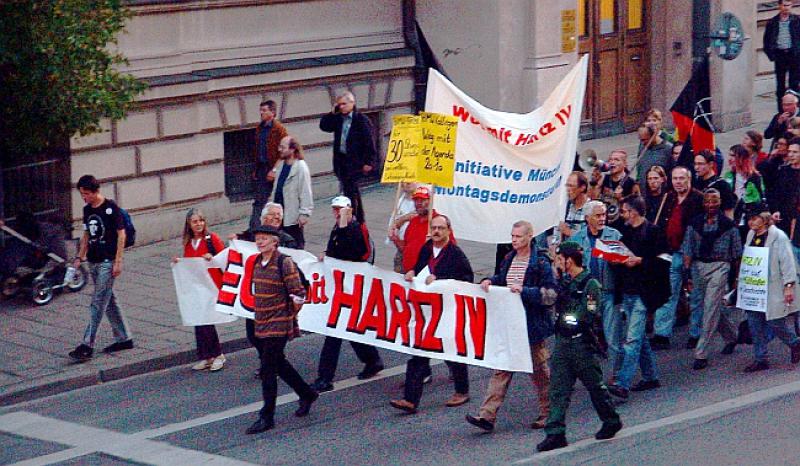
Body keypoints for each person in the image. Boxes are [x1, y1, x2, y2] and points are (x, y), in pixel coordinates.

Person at [465, 221, 557, 431]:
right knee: (502, 369)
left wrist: (525, 291)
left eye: (518, 236)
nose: (514, 240)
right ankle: (487, 415)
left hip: (531, 327)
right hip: (511, 325)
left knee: (539, 373)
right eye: (512, 236)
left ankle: (550, 412)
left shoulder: (540, 262)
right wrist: (490, 281)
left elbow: (550, 294)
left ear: (529, 237)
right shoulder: (509, 258)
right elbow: (502, 279)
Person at [536, 241, 622, 452]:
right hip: (563, 344)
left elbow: (588, 314)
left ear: (570, 260)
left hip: (581, 344)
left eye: (560, 259)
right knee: (558, 389)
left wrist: (566, 319)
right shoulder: (563, 282)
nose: (557, 263)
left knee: (595, 387)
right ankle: (555, 432)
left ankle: (611, 420)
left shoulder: (590, 285)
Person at [390, 215, 473, 413]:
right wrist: (412, 272)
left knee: (451, 351)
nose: (436, 231)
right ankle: (410, 399)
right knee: (420, 352)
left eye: (440, 228)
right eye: (434, 228)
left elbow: (467, 279)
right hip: (428, 310)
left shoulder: (455, 254)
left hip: (447, 309)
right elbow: (420, 268)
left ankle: (462, 390)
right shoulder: (427, 248)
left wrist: (440, 280)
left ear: (448, 231)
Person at [244, 225, 318, 434]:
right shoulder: (257, 262)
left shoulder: (284, 262)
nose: (260, 242)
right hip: (262, 322)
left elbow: (298, 293)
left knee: (268, 368)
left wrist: (290, 314)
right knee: (279, 364)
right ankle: (307, 393)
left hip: (279, 323)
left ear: (275, 242)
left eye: (264, 238)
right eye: (258, 238)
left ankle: (266, 416)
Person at [310, 196, 383, 392]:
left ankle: (325, 377)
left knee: (334, 331)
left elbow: (354, 252)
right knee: (348, 327)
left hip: (353, 287)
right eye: (335, 209)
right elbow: (337, 251)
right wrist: (327, 254)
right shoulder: (339, 228)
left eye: (341, 210)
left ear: (350, 210)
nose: (337, 213)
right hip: (343, 287)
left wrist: (342, 228)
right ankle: (372, 360)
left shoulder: (355, 229)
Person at [68, 175, 134, 361]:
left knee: (97, 302)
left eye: (86, 194)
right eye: (82, 194)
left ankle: (86, 345)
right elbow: (86, 235)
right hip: (93, 261)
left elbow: (121, 235)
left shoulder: (111, 208)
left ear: (95, 191)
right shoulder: (87, 210)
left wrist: (118, 261)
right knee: (108, 299)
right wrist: (79, 257)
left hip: (108, 261)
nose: (84, 197)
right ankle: (124, 338)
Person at [230, 202, 298, 377]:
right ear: (263, 218)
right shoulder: (252, 235)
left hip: (276, 304)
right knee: (253, 335)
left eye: (279, 216)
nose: (276, 218)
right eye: (272, 215)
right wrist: (235, 239)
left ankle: (270, 367)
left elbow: (298, 263)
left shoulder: (287, 240)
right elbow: (241, 243)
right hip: (256, 299)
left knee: (273, 344)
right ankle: (271, 364)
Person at [608, 196, 665, 400]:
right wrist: (616, 260)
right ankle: (650, 376)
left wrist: (640, 261)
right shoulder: (626, 233)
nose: (623, 215)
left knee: (632, 339)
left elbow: (663, 261)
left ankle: (622, 383)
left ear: (634, 212)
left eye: (625, 211)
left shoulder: (653, 232)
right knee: (639, 337)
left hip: (644, 292)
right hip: (628, 291)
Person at [681, 189, 742, 370]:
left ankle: (701, 353)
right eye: (707, 201)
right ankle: (732, 336)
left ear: (720, 202)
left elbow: (737, 254)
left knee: (709, 308)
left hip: (720, 266)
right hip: (699, 266)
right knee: (712, 306)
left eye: (714, 201)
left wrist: (736, 278)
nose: (711, 205)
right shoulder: (695, 224)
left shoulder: (728, 226)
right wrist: (686, 273)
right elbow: (688, 249)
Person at [650, 167, 704, 350]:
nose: (678, 182)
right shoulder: (669, 197)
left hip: (692, 254)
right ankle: (661, 334)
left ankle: (696, 334)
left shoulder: (698, 199)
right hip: (670, 253)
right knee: (667, 294)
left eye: (682, 178)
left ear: (689, 179)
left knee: (696, 296)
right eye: (675, 179)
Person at [740, 211, 800, 372]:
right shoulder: (750, 235)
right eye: (749, 219)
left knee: (775, 321)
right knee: (754, 323)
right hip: (755, 287)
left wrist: (789, 285)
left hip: (774, 285)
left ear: (764, 219)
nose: (751, 222)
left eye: (755, 219)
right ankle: (761, 358)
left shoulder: (778, 237)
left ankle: (795, 343)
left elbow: (787, 261)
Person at [571, 201, 624, 382]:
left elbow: (624, 261)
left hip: (609, 292)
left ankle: (615, 377)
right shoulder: (577, 239)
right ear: (587, 218)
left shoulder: (614, 235)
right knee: (585, 335)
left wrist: (618, 260)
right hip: (590, 295)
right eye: (598, 215)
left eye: (604, 215)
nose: (602, 219)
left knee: (613, 338)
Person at [174, 208, 226, 371]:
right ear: (189, 224)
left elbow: (224, 258)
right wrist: (179, 262)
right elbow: (189, 262)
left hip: (211, 285)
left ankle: (218, 354)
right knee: (198, 320)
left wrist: (212, 258)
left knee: (207, 320)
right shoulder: (189, 242)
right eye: (195, 221)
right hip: (197, 286)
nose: (199, 224)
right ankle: (206, 356)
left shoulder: (211, 239)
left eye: (201, 221)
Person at [319, 91, 377, 224]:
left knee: (351, 190)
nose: (341, 107)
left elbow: (369, 141)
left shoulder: (361, 120)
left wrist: (369, 162)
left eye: (344, 104)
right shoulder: (338, 118)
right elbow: (324, 126)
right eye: (339, 105)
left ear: (352, 103)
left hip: (355, 161)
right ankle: (355, 217)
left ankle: (354, 218)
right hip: (341, 160)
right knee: (350, 190)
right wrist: (332, 112)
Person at [250, 100, 289, 230]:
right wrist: (255, 169)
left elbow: (284, 152)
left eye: (264, 110)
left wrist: (274, 169)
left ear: (272, 112)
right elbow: (257, 149)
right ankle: (254, 228)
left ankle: (279, 227)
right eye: (260, 110)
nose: (261, 113)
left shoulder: (279, 129)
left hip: (274, 167)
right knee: (259, 200)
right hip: (262, 168)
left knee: (278, 199)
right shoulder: (259, 128)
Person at [268, 136, 313, 249]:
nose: (279, 149)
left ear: (292, 149)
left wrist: (304, 213)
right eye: (279, 146)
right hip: (279, 213)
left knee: (295, 245)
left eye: (283, 147)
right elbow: (276, 187)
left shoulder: (301, 167)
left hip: (292, 216)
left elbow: (305, 191)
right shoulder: (281, 165)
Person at [724, 144, 768, 239]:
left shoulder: (755, 177)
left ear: (742, 158)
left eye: (733, 156)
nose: (730, 159)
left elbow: (762, 199)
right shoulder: (728, 176)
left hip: (749, 221)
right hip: (731, 219)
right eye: (729, 155)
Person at [763, 0, 800, 111]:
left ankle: (795, 110)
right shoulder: (772, 22)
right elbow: (767, 40)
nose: (786, 8)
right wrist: (772, 55)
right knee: (780, 86)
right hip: (780, 55)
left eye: (788, 5)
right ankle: (781, 112)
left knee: (794, 84)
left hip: (794, 55)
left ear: (791, 5)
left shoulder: (797, 20)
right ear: (779, 6)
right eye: (784, 5)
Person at [773, 137, 800, 262]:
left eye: (795, 152)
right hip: (784, 217)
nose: (791, 155)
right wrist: (776, 210)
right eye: (789, 151)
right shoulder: (784, 170)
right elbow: (777, 193)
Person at [387, 182, 421, 272]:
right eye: (405, 180)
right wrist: (404, 218)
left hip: (417, 251)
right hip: (401, 249)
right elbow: (393, 226)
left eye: (411, 179)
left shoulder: (423, 202)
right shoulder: (400, 201)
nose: (408, 182)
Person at [694, 150, 736, 219]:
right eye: (695, 164)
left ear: (711, 164)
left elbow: (729, 212)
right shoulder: (696, 183)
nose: (696, 167)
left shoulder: (722, 185)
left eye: (700, 164)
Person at [635, 125, 672, 192]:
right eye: (640, 140)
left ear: (654, 136)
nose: (642, 143)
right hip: (644, 191)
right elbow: (639, 168)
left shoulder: (668, 149)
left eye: (644, 140)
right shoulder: (643, 146)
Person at [758, 135, 789, 209]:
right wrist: (770, 158)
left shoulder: (792, 163)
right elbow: (761, 170)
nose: (778, 146)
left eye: (782, 144)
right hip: (773, 196)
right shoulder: (775, 159)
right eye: (778, 144)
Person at [557, 171, 590, 241]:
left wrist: (569, 232)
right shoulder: (567, 206)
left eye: (571, 186)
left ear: (582, 187)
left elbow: (593, 238)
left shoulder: (592, 208)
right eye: (567, 185)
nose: (568, 189)